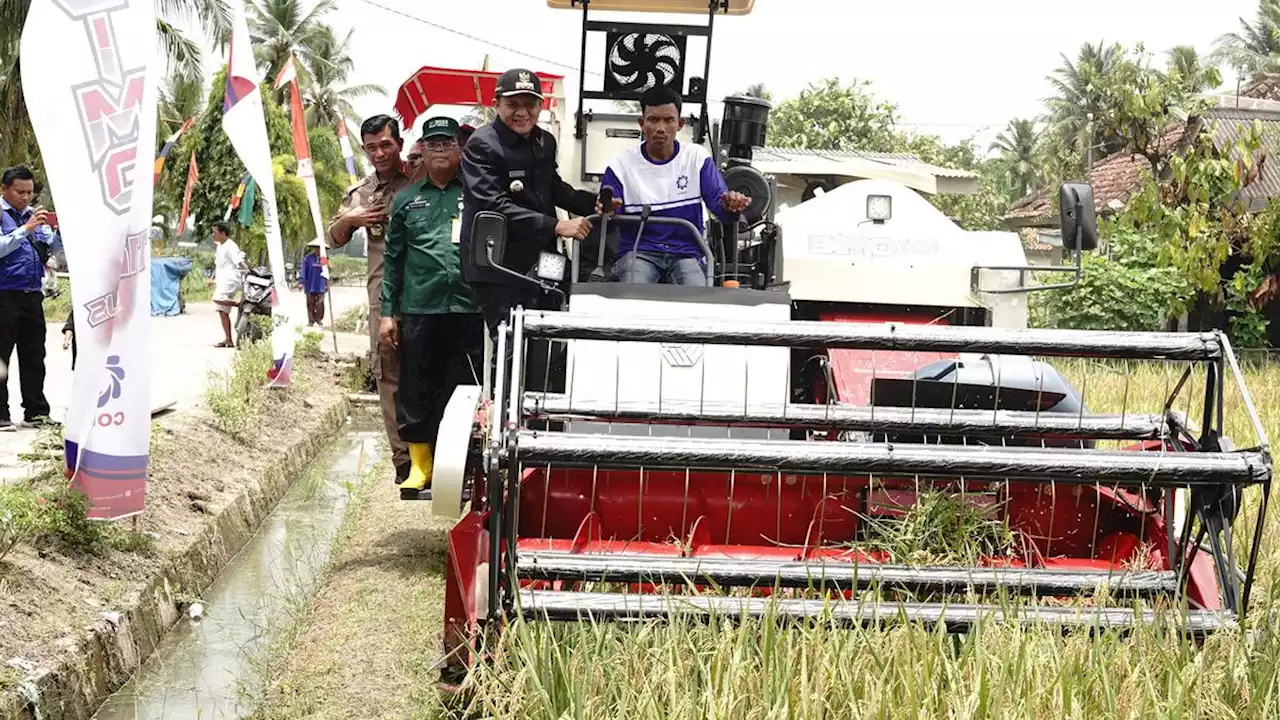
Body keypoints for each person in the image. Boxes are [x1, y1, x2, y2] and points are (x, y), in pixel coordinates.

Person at [381, 116, 483, 499]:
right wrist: (388, 313)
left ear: (460, 149)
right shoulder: (407, 199)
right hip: (421, 307)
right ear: (420, 149)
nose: (440, 149)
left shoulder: (476, 193)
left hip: (469, 308)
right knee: (416, 388)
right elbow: (393, 260)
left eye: (448, 143)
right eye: (433, 143)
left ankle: (460, 468)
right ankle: (420, 467)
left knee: (466, 390)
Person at [460, 67, 597, 342]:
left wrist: (594, 204)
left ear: (541, 105)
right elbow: (492, 205)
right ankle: (503, 385)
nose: (522, 112)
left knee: (553, 334)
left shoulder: (545, 141)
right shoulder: (482, 145)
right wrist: (557, 225)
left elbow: (553, 187)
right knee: (511, 343)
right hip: (498, 264)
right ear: (496, 104)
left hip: (544, 258)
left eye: (530, 104)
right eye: (512, 104)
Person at [327, 114, 413, 485]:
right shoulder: (360, 193)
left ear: (400, 145)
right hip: (383, 297)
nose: (379, 153)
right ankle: (403, 459)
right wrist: (353, 218)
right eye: (372, 147)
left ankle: (439, 454)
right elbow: (333, 236)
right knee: (388, 372)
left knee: (431, 368)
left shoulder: (421, 180)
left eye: (386, 145)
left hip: (427, 292)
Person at [601, 85, 751, 286]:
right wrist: (608, 209)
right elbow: (608, 213)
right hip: (638, 252)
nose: (660, 128)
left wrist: (730, 205)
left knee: (697, 298)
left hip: (687, 254)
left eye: (668, 120)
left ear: (680, 124)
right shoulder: (620, 164)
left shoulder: (696, 158)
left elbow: (720, 208)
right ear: (641, 123)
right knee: (634, 296)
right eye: (653, 120)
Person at [0, 166, 55, 430]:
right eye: (20, 191)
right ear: (4, 189)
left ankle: (36, 412)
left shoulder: (35, 216)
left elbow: (49, 249)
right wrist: (25, 229)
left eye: (29, 192)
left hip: (33, 295)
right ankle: (0, 414)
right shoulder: (2, 214)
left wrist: (56, 231)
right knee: (1, 357)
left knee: (34, 356)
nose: (25, 197)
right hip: (4, 294)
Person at [208, 221, 246, 347]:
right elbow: (218, 264)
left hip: (231, 279)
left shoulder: (231, 246)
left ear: (223, 233)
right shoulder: (220, 246)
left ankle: (240, 305)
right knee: (222, 311)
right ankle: (228, 339)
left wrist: (248, 272)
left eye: (215, 232)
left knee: (217, 299)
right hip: (222, 280)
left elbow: (240, 262)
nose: (212, 235)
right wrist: (212, 278)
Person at [298, 239, 328, 326]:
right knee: (310, 304)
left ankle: (318, 318)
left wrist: (327, 283)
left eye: (320, 248)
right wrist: (301, 282)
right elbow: (303, 271)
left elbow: (327, 272)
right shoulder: (308, 259)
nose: (318, 250)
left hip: (321, 285)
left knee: (320, 303)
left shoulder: (324, 259)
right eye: (317, 248)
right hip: (310, 285)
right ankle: (311, 321)